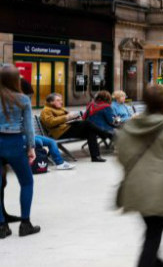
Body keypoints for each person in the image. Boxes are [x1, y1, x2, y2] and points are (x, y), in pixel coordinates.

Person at [116, 84, 163, 267]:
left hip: (135, 188)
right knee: (153, 235)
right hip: (162, 190)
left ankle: (158, 263)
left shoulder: (129, 127)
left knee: (152, 231)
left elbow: (121, 156)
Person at [0, 66, 40, 237]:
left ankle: (2, 226)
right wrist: (31, 147)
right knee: (26, 182)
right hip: (15, 142)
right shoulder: (23, 99)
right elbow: (29, 127)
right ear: (17, 79)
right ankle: (25, 224)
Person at [40, 93, 106, 162]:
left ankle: (95, 156)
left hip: (67, 129)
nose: (61, 102)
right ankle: (105, 134)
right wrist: (66, 117)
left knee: (90, 131)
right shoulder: (46, 110)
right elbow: (50, 122)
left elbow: (66, 119)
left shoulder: (60, 108)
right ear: (51, 102)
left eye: (61, 100)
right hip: (60, 132)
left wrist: (75, 118)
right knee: (87, 123)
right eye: (58, 100)